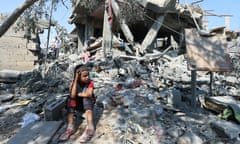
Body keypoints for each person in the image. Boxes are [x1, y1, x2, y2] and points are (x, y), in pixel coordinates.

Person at [59, 64, 95, 142]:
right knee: (70, 100)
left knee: (86, 99)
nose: (87, 77)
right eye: (84, 76)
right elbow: (72, 95)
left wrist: (78, 94)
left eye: (88, 75)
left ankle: (90, 128)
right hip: (78, 105)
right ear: (78, 77)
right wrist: (75, 80)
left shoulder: (90, 83)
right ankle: (70, 128)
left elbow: (89, 94)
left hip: (88, 104)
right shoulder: (74, 83)